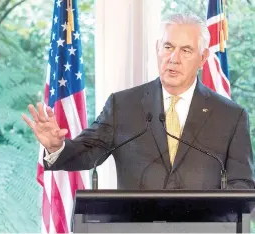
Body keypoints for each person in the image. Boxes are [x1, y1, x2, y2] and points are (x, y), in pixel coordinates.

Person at [22, 13, 254, 190]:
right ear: (157, 49)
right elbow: (87, 152)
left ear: (203, 58)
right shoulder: (123, 106)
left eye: (186, 50)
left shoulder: (230, 116)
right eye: (168, 47)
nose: (174, 58)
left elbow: (242, 185)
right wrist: (55, 147)